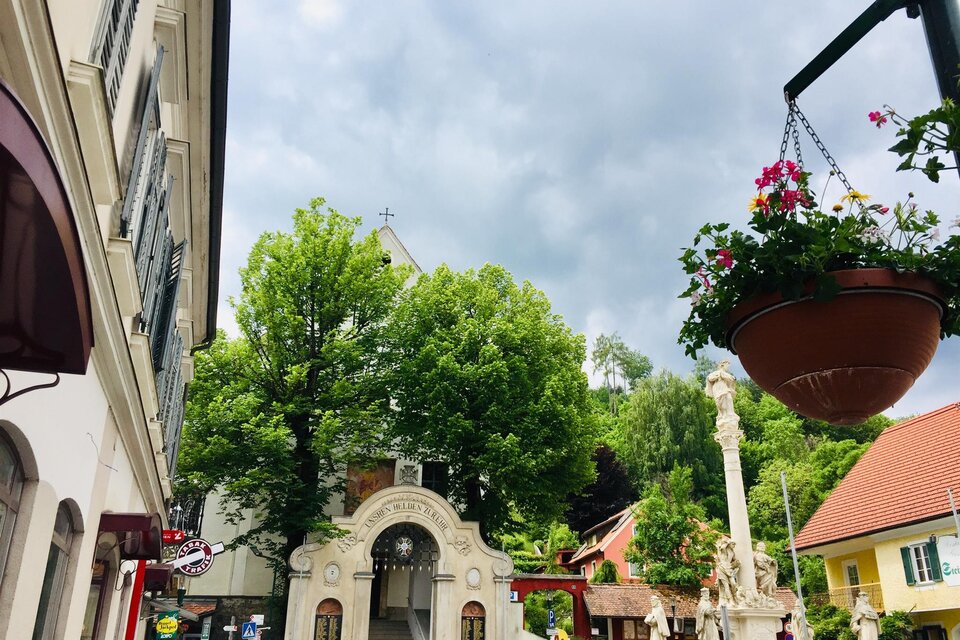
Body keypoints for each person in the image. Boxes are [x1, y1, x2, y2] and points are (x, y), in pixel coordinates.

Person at [715, 536, 739, 604]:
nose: (734, 545)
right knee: (726, 586)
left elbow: (734, 560)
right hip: (722, 568)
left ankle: (735, 596)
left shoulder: (732, 552)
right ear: (729, 543)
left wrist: (737, 564)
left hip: (729, 569)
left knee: (733, 584)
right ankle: (731, 600)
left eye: (734, 544)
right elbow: (722, 547)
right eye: (733, 544)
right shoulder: (724, 550)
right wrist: (726, 542)